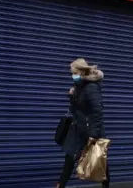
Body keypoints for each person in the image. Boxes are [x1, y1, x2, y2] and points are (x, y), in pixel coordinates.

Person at [56, 58, 110, 188]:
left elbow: (97, 112)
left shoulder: (91, 87)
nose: (72, 75)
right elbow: (78, 109)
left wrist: (93, 134)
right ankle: (60, 185)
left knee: (99, 161)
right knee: (69, 159)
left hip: (90, 130)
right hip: (78, 129)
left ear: (80, 72)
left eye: (73, 72)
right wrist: (72, 96)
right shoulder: (79, 86)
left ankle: (106, 185)